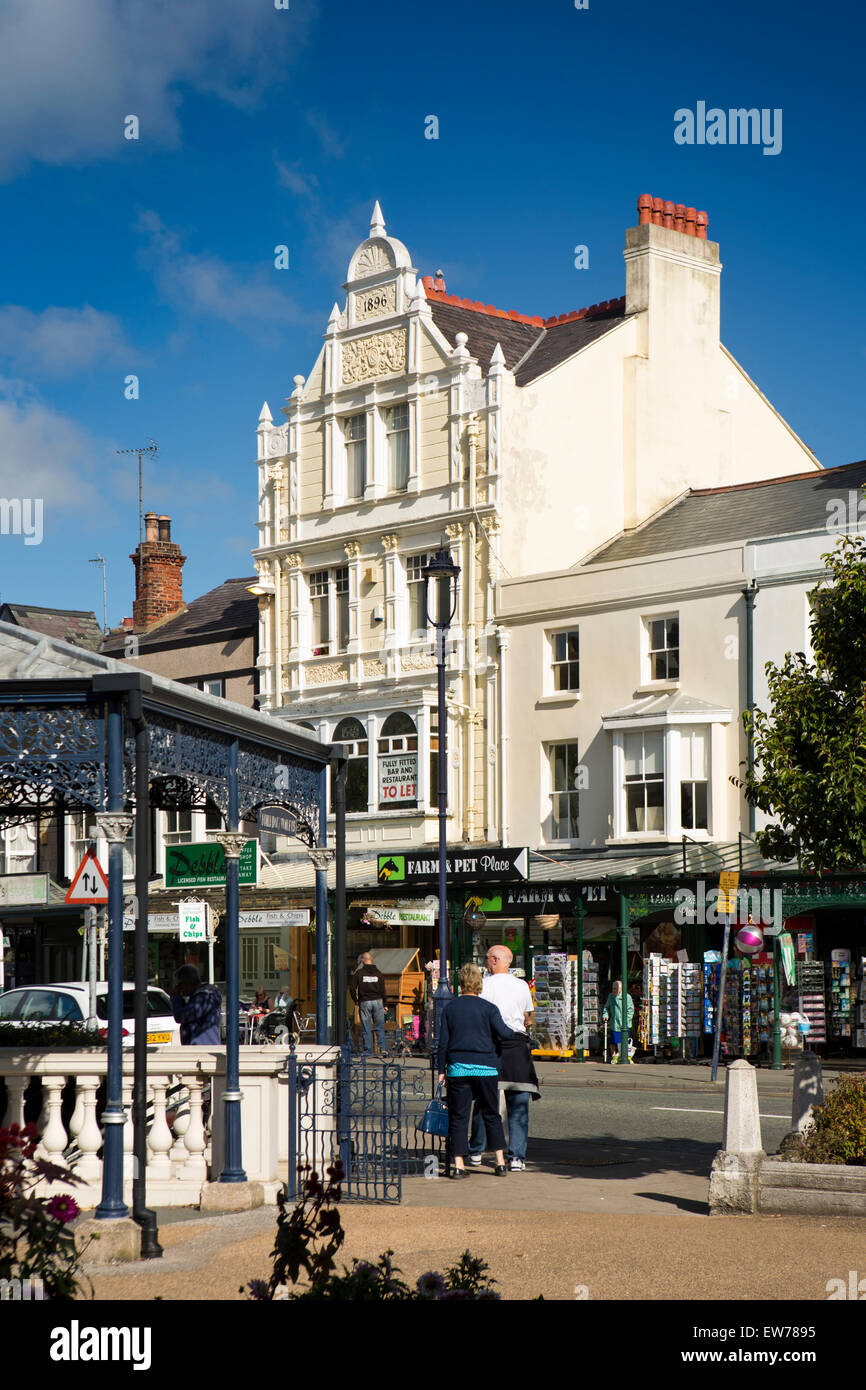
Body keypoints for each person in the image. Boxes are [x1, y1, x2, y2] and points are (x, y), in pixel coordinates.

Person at [437, 963, 516, 1178]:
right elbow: (505, 1033)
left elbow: (443, 1042)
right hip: (487, 1069)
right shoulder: (489, 1009)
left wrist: (441, 1070)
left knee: (459, 1116)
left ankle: (459, 1165)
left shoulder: (450, 1009)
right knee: (492, 1114)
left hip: (458, 1068)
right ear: (479, 984)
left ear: (460, 984)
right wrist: (519, 1030)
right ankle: (500, 1162)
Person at [469, 945, 540, 1172]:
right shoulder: (521, 986)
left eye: (487, 958)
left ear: (495, 961)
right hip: (517, 1045)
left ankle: (476, 1150)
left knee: (484, 1098)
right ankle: (517, 1156)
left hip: (490, 1044)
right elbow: (527, 1017)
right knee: (518, 1102)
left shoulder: (484, 985)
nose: (485, 962)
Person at [170, 966, 222, 1045]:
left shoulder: (202, 998)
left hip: (202, 1049)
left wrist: (176, 998)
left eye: (179, 985)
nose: (179, 989)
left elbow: (181, 1016)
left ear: (187, 983)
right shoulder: (200, 997)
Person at [350, 951, 389, 1055]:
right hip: (378, 1002)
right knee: (379, 1027)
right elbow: (383, 990)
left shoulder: (359, 973)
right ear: (371, 960)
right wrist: (385, 1004)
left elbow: (352, 988)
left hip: (365, 1002)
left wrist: (356, 1000)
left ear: (363, 960)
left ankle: (368, 1051)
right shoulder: (378, 973)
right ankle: (383, 1049)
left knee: (366, 1027)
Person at [603, 979, 635, 1063]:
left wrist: (627, 1021)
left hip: (624, 1024)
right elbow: (607, 1007)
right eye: (613, 988)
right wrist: (605, 1015)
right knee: (613, 1041)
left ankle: (624, 1056)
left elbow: (630, 1010)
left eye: (616, 988)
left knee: (624, 1042)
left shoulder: (627, 997)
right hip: (614, 1022)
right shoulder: (611, 996)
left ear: (621, 989)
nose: (614, 990)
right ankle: (614, 1056)